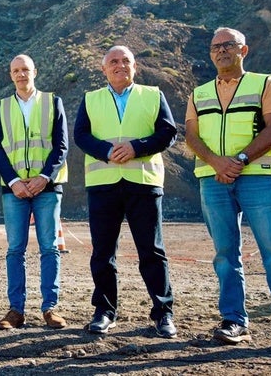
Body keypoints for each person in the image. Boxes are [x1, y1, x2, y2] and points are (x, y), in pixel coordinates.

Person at [185, 27, 271, 356]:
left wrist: (238, 160)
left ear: (243, 50)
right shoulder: (199, 93)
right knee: (225, 255)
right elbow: (191, 136)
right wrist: (215, 163)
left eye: (228, 45)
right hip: (213, 180)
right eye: (215, 47)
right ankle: (234, 321)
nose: (221, 51)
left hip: (259, 178)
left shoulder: (264, 84)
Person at [73, 45, 177, 338]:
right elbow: (81, 134)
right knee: (103, 253)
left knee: (152, 251)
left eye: (125, 61)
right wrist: (107, 151)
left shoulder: (153, 95)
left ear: (135, 66)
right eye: (113, 62)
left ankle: (163, 313)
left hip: (143, 183)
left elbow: (168, 132)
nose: (120, 66)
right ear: (103, 69)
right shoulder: (90, 99)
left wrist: (136, 148)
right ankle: (105, 311)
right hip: (103, 184)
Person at [0, 54, 68, 330]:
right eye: (16, 71)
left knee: (49, 248)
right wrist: (13, 181)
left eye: (25, 69)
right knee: (15, 250)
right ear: (10, 75)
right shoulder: (1, 107)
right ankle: (16, 311)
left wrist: (43, 178)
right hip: (14, 191)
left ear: (35, 71)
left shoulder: (52, 102)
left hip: (47, 188)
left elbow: (61, 146)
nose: (21, 74)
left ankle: (50, 308)